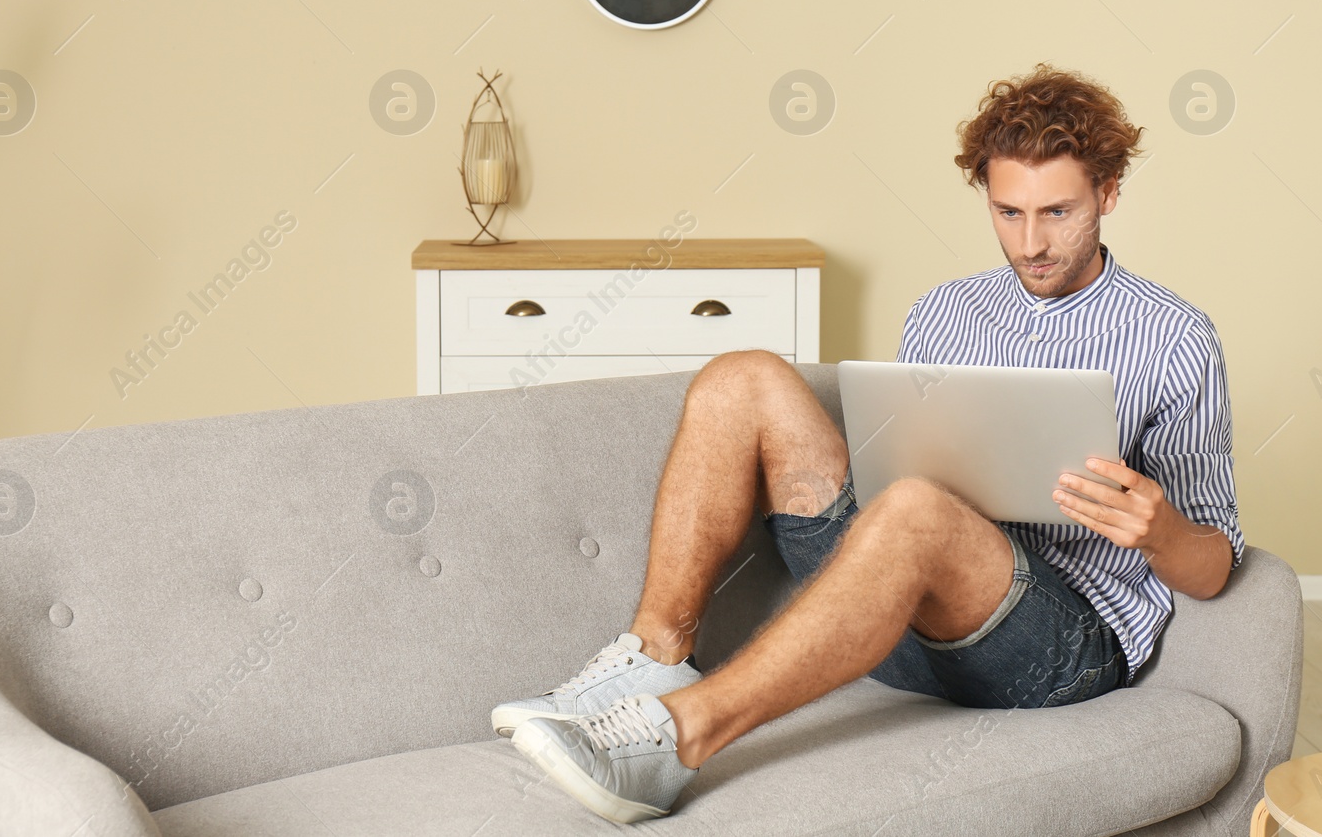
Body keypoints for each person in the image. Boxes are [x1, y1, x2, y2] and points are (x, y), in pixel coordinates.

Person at [493, 64, 1245, 824]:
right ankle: (649, 664)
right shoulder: (945, 311)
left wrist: (1161, 531)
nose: (1032, 241)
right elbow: (901, 460)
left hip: (1055, 646)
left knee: (919, 508)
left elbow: (1215, 566)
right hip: (901, 617)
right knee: (741, 377)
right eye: (1008, 211)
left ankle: (674, 740)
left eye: (1058, 212)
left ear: (1108, 193)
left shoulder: (1176, 338)